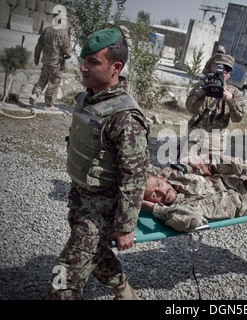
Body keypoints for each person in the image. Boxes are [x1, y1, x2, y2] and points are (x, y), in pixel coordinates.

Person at [44, 28, 150, 300]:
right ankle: (125, 292)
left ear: (115, 68)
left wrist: (126, 226)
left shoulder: (125, 118)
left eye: (92, 61)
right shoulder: (86, 98)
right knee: (95, 253)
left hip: (102, 210)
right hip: (79, 197)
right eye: (84, 59)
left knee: (63, 278)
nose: (82, 67)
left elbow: (134, 177)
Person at [185, 53, 245, 157]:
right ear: (213, 67)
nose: (224, 72)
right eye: (221, 67)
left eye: (227, 69)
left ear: (230, 73)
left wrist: (230, 99)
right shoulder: (201, 86)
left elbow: (238, 118)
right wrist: (203, 91)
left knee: (210, 172)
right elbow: (190, 108)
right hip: (195, 141)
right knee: (185, 169)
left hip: (216, 146)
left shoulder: (234, 92)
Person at [29, 17, 71, 111]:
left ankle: (35, 94)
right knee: (54, 83)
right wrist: (68, 55)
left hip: (46, 61)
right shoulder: (63, 33)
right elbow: (67, 48)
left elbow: (39, 44)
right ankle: (49, 105)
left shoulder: (46, 30)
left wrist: (36, 57)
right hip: (56, 63)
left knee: (43, 78)